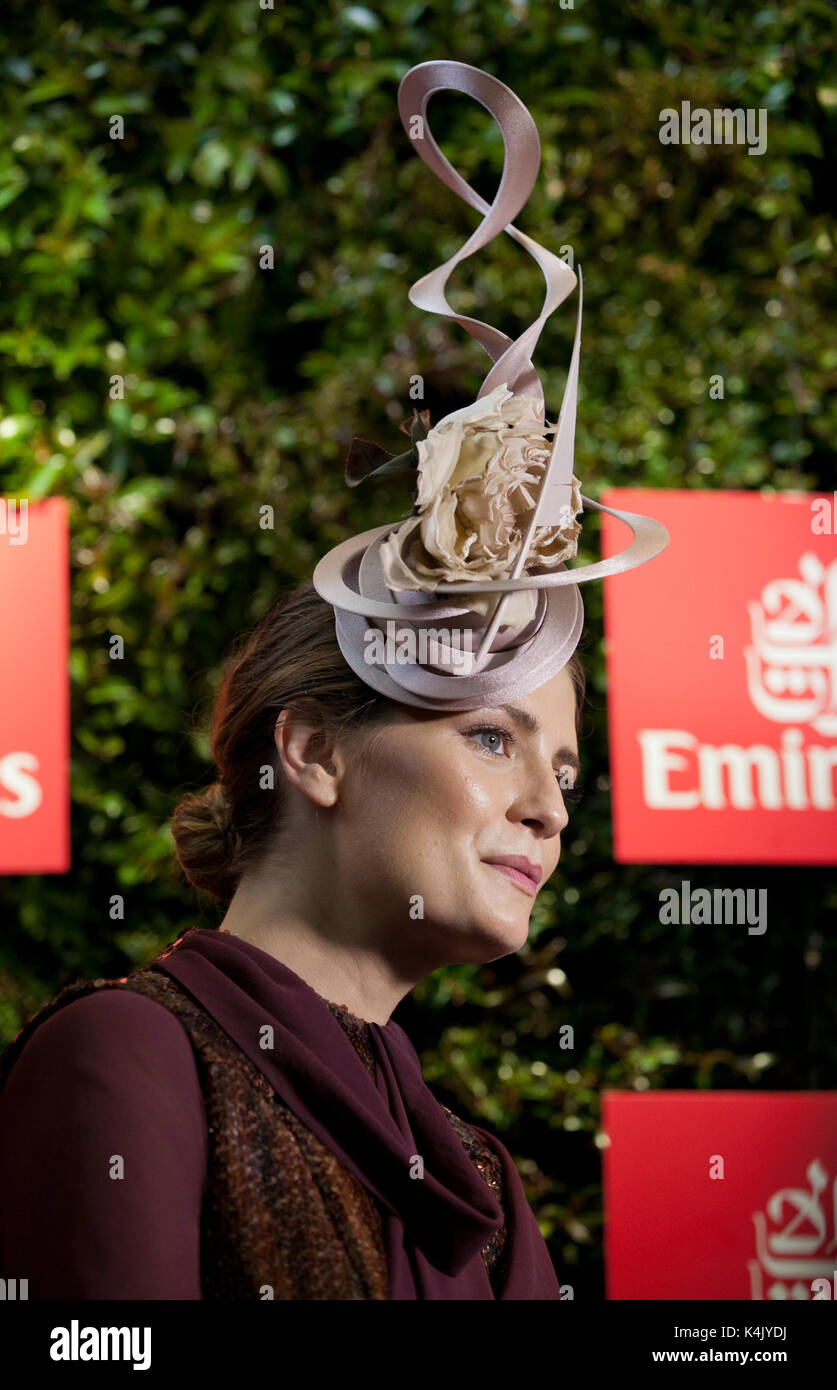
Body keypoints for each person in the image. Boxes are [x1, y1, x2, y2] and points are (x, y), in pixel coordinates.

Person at [0, 59, 668, 1301]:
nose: (551, 807)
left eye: (565, 767)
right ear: (311, 750)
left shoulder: (480, 1185)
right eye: (489, 737)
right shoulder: (127, 1060)